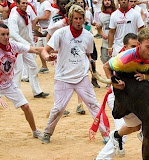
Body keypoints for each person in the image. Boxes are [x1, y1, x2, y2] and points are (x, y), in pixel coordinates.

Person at [90, 27, 149, 160]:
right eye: (148, 47)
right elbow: (106, 66)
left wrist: (145, 77)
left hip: (135, 98)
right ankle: (101, 159)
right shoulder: (124, 59)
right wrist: (115, 81)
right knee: (123, 130)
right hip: (117, 97)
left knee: (137, 125)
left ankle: (141, 134)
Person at [41, 5, 109, 144]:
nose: (78, 21)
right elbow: (44, 50)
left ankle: (105, 134)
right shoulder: (60, 33)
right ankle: (47, 132)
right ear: (71, 19)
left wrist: (92, 69)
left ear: (84, 19)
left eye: (81, 18)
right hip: (63, 77)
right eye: (76, 18)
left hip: (81, 77)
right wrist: (48, 58)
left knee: (93, 105)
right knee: (58, 108)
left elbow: (88, 54)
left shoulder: (88, 36)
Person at [0, 23, 43, 139]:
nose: (6, 37)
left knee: (26, 106)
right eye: (2, 34)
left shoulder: (13, 46)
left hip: (8, 83)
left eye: (7, 34)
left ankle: (35, 131)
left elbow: (34, 49)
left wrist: (48, 53)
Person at [8, 0, 49, 98]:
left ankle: (37, 91)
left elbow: (28, 30)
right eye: (23, 3)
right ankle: (15, 92)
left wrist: (31, 42)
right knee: (18, 69)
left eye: (26, 3)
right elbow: (14, 34)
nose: (25, 5)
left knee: (33, 66)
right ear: (17, 4)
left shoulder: (26, 14)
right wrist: (27, 44)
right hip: (15, 46)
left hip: (25, 45)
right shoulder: (14, 16)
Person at [34, 0, 52, 74]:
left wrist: (38, 18)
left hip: (48, 30)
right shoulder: (39, 4)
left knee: (49, 50)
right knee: (39, 49)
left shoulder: (46, 3)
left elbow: (46, 17)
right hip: (42, 29)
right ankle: (44, 67)